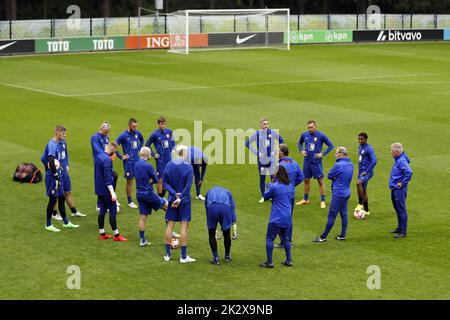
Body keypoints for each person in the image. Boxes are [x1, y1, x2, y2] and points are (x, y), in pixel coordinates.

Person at [41, 125, 79, 232]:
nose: (65, 135)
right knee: (53, 200)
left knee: (61, 197)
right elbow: (49, 160)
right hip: (53, 177)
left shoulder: (61, 143)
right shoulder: (52, 145)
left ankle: (66, 222)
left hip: (59, 175)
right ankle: (48, 225)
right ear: (57, 132)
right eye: (63, 133)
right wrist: (54, 174)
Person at [162, 145, 195, 263]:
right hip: (184, 201)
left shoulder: (169, 165)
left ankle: (167, 254)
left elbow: (165, 183)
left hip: (171, 200)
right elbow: (188, 186)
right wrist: (180, 197)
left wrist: (174, 194)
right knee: (184, 226)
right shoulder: (188, 167)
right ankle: (183, 256)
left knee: (170, 225)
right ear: (184, 153)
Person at [314, 147, 353, 243]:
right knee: (344, 214)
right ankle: (343, 235)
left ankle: (323, 236)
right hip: (347, 192)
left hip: (338, 193)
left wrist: (336, 177)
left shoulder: (338, 165)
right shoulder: (350, 163)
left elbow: (329, 175)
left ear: (341, 154)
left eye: (336, 153)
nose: (335, 155)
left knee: (332, 215)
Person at [260, 166, 295, 268]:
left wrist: (269, 187)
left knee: (269, 238)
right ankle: (289, 260)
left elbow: (265, 197)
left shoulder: (274, 187)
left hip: (276, 218)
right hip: (287, 217)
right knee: (285, 239)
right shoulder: (290, 185)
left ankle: (269, 262)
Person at [134, 147, 168, 247]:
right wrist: (151, 180)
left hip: (139, 193)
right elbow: (157, 180)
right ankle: (170, 231)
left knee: (142, 217)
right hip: (148, 193)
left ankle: (142, 240)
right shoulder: (148, 166)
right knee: (168, 207)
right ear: (148, 155)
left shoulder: (136, 164)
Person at [245, 118, 284, 203]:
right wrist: (257, 153)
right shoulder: (257, 134)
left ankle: (272, 195)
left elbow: (281, 140)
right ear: (260, 125)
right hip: (261, 160)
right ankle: (263, 196)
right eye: (264, 124)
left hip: (271, 159)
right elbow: (247, 143)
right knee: (262, 178)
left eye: (267, 124)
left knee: (273, 178)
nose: (266, 125)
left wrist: (277, 151)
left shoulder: (272, 132)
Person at [297, 120, 334, 209]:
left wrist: (322, 154)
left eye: (311, 127)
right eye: (308, 127)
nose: (310, 129)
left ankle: (322, 201)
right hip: (307, 161)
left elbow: (331, 145)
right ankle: (305, 199)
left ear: (315, 127)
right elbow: (299, 143)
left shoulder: (321, 135)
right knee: (306, 180)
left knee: (320, 181)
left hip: (316, 162)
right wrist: (301, 150)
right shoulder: (304, 135)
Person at [95, 141, 127, 242]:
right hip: (106, 190)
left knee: (102, 211)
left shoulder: (98, 156)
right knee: (113, 211)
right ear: (113, 149)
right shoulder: (107, 160)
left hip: (99, 189)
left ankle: (102, 233)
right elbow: (108, 179)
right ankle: (117, 235)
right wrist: (113, 193)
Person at [275, 144, 304, 248]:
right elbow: (301, 177)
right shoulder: (295, 163)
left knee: (279, 217)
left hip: (281, 195)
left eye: (277, 151)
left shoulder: (280, 166)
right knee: (288, 217)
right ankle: (288, 240)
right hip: (291, 194)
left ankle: (284, 242)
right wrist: (292, 185)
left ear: (282, 153)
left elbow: (275, 181)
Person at [91, 122, 120, 212]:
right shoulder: (95, 137)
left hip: (106, 160)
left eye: (107, 133)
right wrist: (106, 155)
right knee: (102, 181)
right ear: (102, 129)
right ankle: (99, 204)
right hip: (99, 161)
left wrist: (113, 154)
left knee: (113, 176)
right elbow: (97, 149)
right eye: (105, 132)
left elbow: (109, 148)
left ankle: (111, 196)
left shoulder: (106, 137)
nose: (106, 134)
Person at [116, 118, 144, 209]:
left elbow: (142, 140)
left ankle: (140, 198)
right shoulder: (123, 135)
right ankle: (130, 201)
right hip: (129, 163)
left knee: (139, 179)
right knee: (130, 181)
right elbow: (114, 146)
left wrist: (139, 148)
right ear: (129, 126)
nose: (135, 128)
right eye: (133, 126)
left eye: (136, 126)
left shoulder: (137, 133)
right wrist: (121, 156)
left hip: (137, 161)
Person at [205, 187, 236, 265]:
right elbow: (232, 208)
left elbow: (207, 208)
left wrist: (213, 228)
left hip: (212, 208)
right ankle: (227, 256)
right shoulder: (228, 192)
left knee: (211, 234)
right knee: (226, 233)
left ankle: (216, 258)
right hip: (225, 208)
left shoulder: (209, 192)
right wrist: (234, 227)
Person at [145, 116, 175, 198]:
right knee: (160, 179)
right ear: (158, 124)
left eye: (164, 124)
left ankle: (164, 195)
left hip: (169, 159)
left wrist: (172, 150)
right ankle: (159, 197)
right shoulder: (155, 134)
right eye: (161, 124)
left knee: (168, 178)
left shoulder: (169, 132)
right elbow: (147, 145)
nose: (163, 126)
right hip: (160, 161)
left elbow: (173, 142)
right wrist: (154, 154)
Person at [389, 143, 413, 239]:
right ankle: (399, 228)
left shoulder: (401, 160)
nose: (391, 152)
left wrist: (402, 183)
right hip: (395, 188)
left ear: (397, 151)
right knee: (397, 208)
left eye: (392, 150)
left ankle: (403, 232)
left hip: (399, 189)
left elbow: (409, 172)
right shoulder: (398, 159)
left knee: (401, 209)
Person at [355, 132, 377, 216]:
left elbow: (374, 161)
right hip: (361, 171)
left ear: (366, 139)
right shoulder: (360, 147)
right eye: (359, 139)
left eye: (361, 139)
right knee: (363, 189)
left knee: (358, 183)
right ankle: (367, 210)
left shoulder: (369, 149)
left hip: (367, 172)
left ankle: (360, 203)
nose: (359, 141)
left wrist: (367, 171)